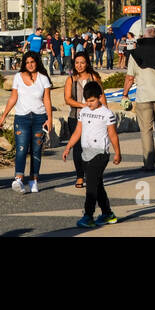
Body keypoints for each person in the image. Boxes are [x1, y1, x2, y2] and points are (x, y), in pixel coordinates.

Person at [61, 80, 121, 228]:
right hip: (86, 153)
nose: (89, 104)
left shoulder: (107, 114)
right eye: (87, 101)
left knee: (91, 186)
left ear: (100, 97)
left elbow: (113, 135)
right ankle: (107, 214)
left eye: (92, 101)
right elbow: (78, 131)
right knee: (97, 184)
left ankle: (88, 215)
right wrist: (68, 146)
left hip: (100, 153)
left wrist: (117, 153)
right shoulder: (84, 112)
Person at [0, 51, 53, 192]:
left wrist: (49, 119)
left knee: (36, 150)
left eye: (32, 62)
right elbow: (13, 98)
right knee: (21, 149)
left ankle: (34, 180)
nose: (30, 65)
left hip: (39, 117)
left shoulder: (43, 78)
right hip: (22, 118)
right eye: (27, 63)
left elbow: (47, 99)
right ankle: (19, 180)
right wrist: (4, 115)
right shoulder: (18, 77)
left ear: (37, 62)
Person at [123, 26, 155, 171]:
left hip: (144, 96)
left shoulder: (135, 54)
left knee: (146, 130)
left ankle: (148, 163)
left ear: (144, 37)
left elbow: (130, 77)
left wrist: (125, 94)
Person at [62, 51, 102, 189]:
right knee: (78, 148)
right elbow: (68, 99)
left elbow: (102, 97)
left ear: (87, 63)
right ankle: (80, 176)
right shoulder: (71, 80)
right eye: (77, 63)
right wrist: (83, 105)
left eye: (82, 62)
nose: (79, 65)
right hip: (76, 117)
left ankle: (92, 174)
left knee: (92, 146)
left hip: (94, 117)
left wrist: (105, 113)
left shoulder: (94, 77)